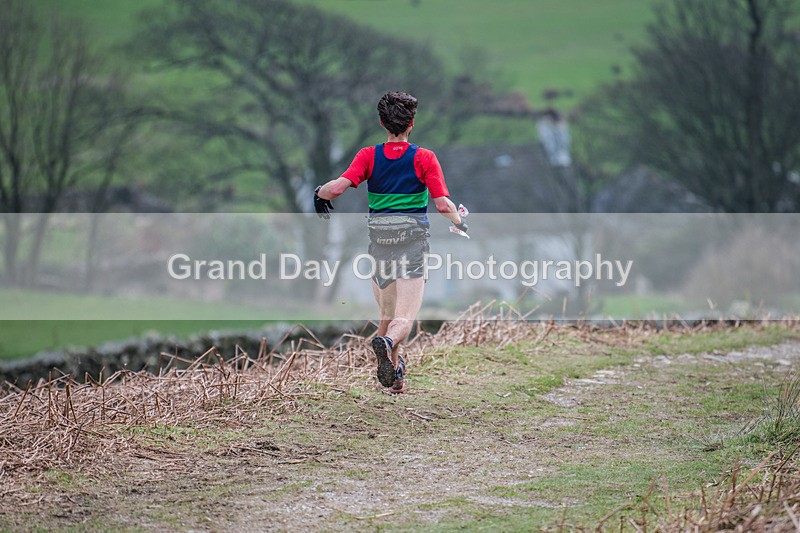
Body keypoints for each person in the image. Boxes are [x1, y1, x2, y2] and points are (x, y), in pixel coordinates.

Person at [313, 91, 467, 394]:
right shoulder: (424, 158)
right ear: (411, 123)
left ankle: (394, 376)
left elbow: (337, 189)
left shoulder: (368, 156)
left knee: (387, 314)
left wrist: (319, 194)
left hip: (380, 242)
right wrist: (461, 223)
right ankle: (386, 346)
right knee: (403, 319)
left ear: (382, 122)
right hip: (411, 243)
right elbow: (443, 206)